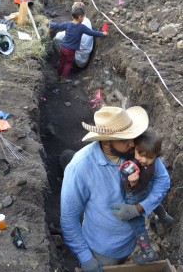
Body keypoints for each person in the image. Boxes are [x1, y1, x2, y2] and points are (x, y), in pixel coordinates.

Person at [60, 106, 170, 271]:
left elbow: (163, 181)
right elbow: (69, 218)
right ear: (106, 141)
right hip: (102, 251)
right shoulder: (80, 168)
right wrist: (85, 257)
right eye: (124, 140)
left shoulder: (139, 150)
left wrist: (140, 208)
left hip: (132, 240)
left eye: (132, 136)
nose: (132, 143)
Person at [117, 128, 173, 264]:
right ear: (134, 148)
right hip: (144, 191)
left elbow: (127, 188)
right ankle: (164, 217)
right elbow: (123, 182)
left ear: (156, 154)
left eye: (149, 157)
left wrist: (132, 184)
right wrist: (131, 182)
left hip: (135, 197)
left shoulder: (154, 163)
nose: (143, 160)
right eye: (140, 154)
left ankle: (147, 252)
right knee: (155, 204)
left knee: (138, 225)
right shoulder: (129, 163)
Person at [47, 6, 108, 83]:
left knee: (61, 61)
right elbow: (92, 33)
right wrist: (103, 34)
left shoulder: (68, 24)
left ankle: (58, 75)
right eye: (83, 16)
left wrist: (48, 23)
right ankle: (62, 79)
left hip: (63, 47)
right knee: (68, 63)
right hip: (70, 50)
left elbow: (57, 25)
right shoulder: (82, 27)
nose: (84, 18)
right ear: (80, 17)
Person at [53, 2, 94, 69]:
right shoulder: (87, 21)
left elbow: (59, 36)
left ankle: (65, 64)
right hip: (83, 60)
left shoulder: (78, 27)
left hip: (77, 61)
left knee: (56, 39)